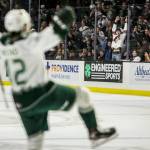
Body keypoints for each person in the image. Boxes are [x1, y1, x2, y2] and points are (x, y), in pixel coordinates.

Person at [0, 7, 117, 150]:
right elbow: (56, 33)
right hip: (40, 94)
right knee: (83, 95)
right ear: (25, 25)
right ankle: (94, 132)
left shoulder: (2, 44)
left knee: (35, 140)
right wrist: (62, 20)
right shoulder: (31, 42)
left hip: (20, 102)